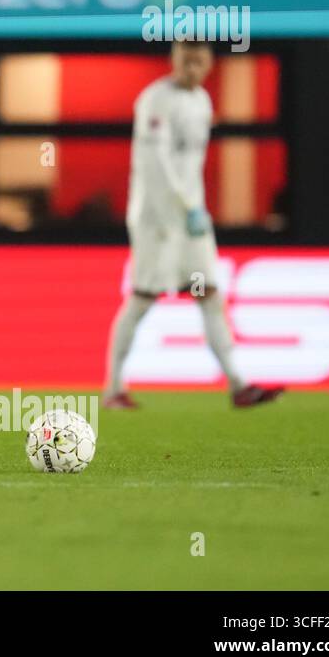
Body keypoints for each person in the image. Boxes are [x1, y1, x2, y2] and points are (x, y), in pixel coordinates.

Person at [103, 39, 283, 410]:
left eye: (198, 62)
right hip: (157, 218)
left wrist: (194, 208)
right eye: (185, 60)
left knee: (210, 294)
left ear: (209, 65)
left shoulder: (202, 101)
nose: (191, 68)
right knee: (142, 297)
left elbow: (187, 166)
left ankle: (239, 385)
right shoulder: (155, 100)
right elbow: (156, 166)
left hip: (190, 218)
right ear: (174, 60)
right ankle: (113, 389)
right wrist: (186, 207)